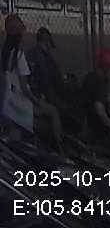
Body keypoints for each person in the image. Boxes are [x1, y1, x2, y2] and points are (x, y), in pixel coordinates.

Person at [3, 15, 64, 153]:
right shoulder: (19, 56)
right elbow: (25, 88)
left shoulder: (6, 53)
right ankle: (60, 150)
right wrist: (37, 102)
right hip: (21, 104)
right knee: (53, 111)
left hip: (9, 102)